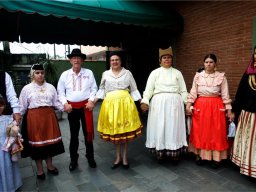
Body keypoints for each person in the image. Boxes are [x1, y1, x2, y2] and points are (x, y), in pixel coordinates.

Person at [94, 51, 142, 169]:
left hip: (125, 105)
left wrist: (142, 102)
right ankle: (117, 157)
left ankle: (124, 157)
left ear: (121, 61)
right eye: (112, 60)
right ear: (110, 62)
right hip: (110, 106)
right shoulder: (105, 74)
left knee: (124, 131)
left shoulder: (127, 73)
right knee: (116, 132)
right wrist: (93, 101)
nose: (114, 62)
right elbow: (101, 89)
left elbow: (134, 89)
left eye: (117, 60)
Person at [140, 47, 188, 164]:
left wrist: (188, 104)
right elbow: (149, 90)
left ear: (172, 60)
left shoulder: (177, 73)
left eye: (169, 58)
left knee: (174, 127)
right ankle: (160, 153)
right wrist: (145, 101)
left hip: (175, 104)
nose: (167, 59)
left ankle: (174, 153)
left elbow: (183, 91)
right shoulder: (154, 73)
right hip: (158, 104)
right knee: (160, 126)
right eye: (164, 57)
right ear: (160, 60)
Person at [186, 53, 232, 168]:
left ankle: (216, 158)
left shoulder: (221, 77)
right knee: (201, 131)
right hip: (201, 106)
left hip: (216, 106)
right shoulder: (198, 76)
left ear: (215, 63)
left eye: (211, 62)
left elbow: (225, 95)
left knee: (216, 132)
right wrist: (188, 105)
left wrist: (229, 110)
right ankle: (200, 155)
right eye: (206, 62)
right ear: (203, 63)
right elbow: (193, 92)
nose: (208, 64)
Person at [19, 64, 65, 180]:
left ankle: (50, 166)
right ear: (32, 74)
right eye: (37, 73)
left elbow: (56, 102)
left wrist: (66, 108)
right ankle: (40, 170)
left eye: (42, 72)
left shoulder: (50, 87)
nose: (40, 75)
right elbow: (22, 107)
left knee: (50, 143)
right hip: (34, 119)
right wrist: (16, 119)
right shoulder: (26, 89)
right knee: (37, 145)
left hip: (49, 117)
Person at [57, 48, 98, 171]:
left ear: (82, 60)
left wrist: (91, 101)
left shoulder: (89, 73)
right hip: (72, 108)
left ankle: (90, 157)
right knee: (74, 135)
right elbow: (60, 91)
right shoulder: (65, 75)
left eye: (79, 58)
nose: (76, 60)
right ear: (70, 60)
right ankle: (73, 159)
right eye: (74, 58)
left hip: (86, 107)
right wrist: (65, 104)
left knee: (88, 133)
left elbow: (94, 89)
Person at [231, 46, 256, 179]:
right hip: (249, 115)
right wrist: (235, 111)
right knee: (249, 142)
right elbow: (240, 94)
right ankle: (247, 166)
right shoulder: (248, 73)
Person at [0, 79, 22, 191]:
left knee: (6, 155)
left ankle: (9, 185)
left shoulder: (4, 75)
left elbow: (12, 95)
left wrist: (16, 112)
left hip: (4, 121)